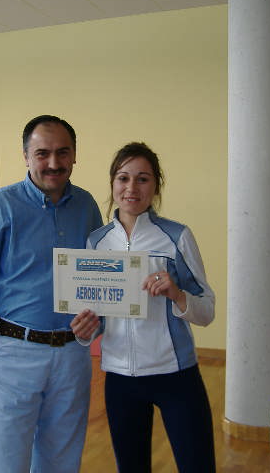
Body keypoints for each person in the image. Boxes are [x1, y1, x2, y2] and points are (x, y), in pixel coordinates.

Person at [0, 115, 103, 472]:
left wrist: (98, 317)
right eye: (42, 153)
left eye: (63, 153)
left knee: (63, 456)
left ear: (75, 155)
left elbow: (99, 277)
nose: (54, 163)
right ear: (26, 157)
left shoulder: (88, 207)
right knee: (9, 457)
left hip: (73, 355)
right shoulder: (0, 207)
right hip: (16, 353)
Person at [71, 142, 216, 473]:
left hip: (175, 374)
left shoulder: (176, 236)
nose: (131, 188)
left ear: (156, 186)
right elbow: (95, 313)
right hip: (121, 379)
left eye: (142, 179)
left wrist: (177, 294)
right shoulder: (96, 242)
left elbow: (207, 310)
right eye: (123, 178)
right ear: (112, 183)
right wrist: (84, 331)